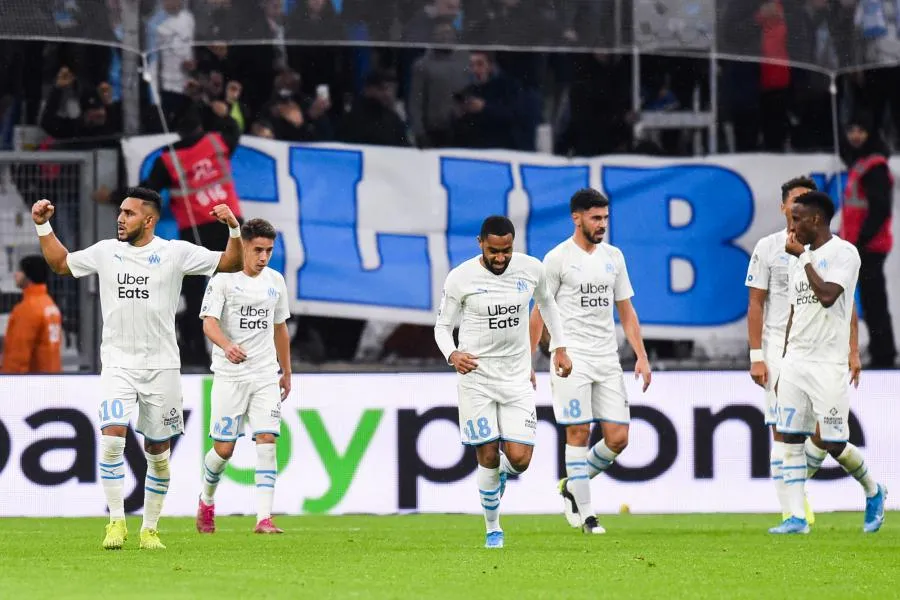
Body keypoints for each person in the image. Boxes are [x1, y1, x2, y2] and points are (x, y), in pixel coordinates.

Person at [31, 187, 243, 550]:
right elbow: (61, 264)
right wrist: (42, 226)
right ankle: (116, 522)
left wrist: (234, 229)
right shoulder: (106, 252)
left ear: (149, 220)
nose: (120, 218)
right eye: (120, 211)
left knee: (157, 453)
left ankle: (149, 529)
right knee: (113, 437)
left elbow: (231, 263)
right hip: (118, 364)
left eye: (128, 213)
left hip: (162, 367)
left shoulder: (175, 253)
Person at [434, 215, 572, 549]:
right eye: (493, 251)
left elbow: (548, 305)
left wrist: (560, 347)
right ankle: (493, 528)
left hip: (516, 377)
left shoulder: (531, 269)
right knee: (487, 454)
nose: (500, 258)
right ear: (480, 243)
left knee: (520, 460)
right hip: (476, 378)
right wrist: (453, 355)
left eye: (506, 250)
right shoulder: (460, 277)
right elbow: (442, 327)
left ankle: (500, 479)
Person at [529, 189, 651, 535]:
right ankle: (588, 516)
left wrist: (641, 356)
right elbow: (538, 313)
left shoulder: (614, 257)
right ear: (577, 218)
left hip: (607, 358)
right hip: (571, 357)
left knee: (618, 438)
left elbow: (626, 311)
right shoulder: (557, 259)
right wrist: (529, 360)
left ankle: (572, 486)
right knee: (578, 431)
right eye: (596, 218)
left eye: (605, 218)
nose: (602, 224)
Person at [771, 190, 886, 535]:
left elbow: (827, 296)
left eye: (796, 219)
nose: (792, 227)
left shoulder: (844, 253)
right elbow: (795, 312)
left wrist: (804, 258)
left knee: (833, 442)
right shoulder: (797, 259)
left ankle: (874, 490)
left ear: (816, 219)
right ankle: (795, 518)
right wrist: (784, 361)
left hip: (827, 363)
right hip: (796, 361)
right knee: (790, 438)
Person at [98, 102, 244, 368]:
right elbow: (234, 130)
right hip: (230, 227)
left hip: (195, 231)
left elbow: (146, 192)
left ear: (176, 129)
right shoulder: (217, 142)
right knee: (241, 290)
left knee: (196, 295)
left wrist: (113, 196)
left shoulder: (169, 159)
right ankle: (245, 352)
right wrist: (224, 111)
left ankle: (197, 352)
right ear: (200, 124)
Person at [196, 218, 292, 535]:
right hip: (230, 376)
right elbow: (209, 323)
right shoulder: (223, 280)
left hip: (264, 374)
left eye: (269, 251)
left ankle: (264, 518)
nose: (263, 257)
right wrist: (227, 346)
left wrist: (286, 370)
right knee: (224, 450)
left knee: (267, 440)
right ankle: (206, 499)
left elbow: (280, 327)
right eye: (258, 250)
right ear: (245, 246)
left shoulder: (275, 281)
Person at [746, 176, 827, 527]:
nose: (800, 207)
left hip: (817, 347)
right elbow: (755, 303)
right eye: (795, 200)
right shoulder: (767, 247)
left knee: (826, 431)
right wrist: (756, 356)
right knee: (782, 430)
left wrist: (851, 349)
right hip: (778, 348)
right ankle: (791, 512)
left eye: (807, 200)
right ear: (783, 207)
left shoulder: (828, 249)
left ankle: (796, 487)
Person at [840, 114, 896, 369]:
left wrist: (862, 240)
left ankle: (884, 353)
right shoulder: (862, 163)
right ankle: (880, 349)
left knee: (874, 301)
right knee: (871, 300)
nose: (855, 136)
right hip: (862, 244)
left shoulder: (874, 167)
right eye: (851, 130)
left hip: (869, 245)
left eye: (860, 130)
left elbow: (880, 208)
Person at [1, 255, 62, 374]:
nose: (15, 274)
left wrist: (9, 379)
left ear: (28, 276)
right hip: (51, 376)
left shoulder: (27, 309)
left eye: (20, 271)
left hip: (32, 379)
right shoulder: (49, 304)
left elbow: (18, 355)